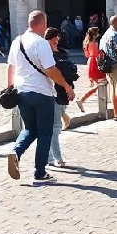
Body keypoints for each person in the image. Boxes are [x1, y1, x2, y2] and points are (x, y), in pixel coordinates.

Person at [6, 10, 75, 184]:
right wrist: (66, 86)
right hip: (42, 93)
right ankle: (40, 172)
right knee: (45, 133)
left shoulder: (17, 41)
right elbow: (51, 70)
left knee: (29, 129)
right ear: (43, 24)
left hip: (22, 92)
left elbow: (10, 68)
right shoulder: (41, 43)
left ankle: (16, 152)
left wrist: (9, 89)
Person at [44, 27, 78, 168]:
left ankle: (49, 157)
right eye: (53, 37)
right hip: (53, 92)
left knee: (54, 127)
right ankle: (57, 158)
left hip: (65, 92)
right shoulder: (46, 55)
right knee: (55, 127)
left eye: (57, 36)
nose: (56, 39)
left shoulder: (63, 52)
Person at [76, 27, 105, 112]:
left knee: (99, 83)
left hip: (90, 61)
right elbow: (97, 53)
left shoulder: (87, 43)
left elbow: (87, 54)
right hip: (95, 62)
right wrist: (101, 53)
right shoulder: (94, 42)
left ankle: (103, 100)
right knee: (100, 83)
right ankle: (82, 99)